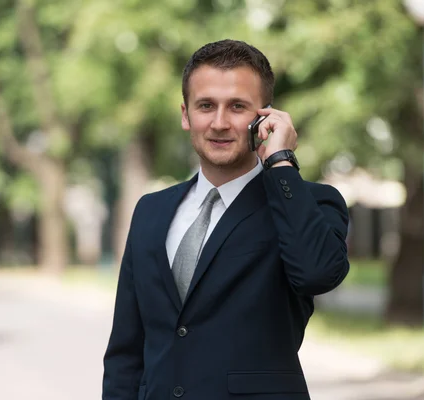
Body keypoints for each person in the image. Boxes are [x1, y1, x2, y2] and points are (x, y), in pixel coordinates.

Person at [102, 39, 349, 400]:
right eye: (206, 106)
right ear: (186, 115)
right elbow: (126, 351)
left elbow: (318, 273)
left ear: (264, 117)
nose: (219, 122)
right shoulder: (150, 211)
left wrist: (280, 160)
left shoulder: (307, 202)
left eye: (237, 107)